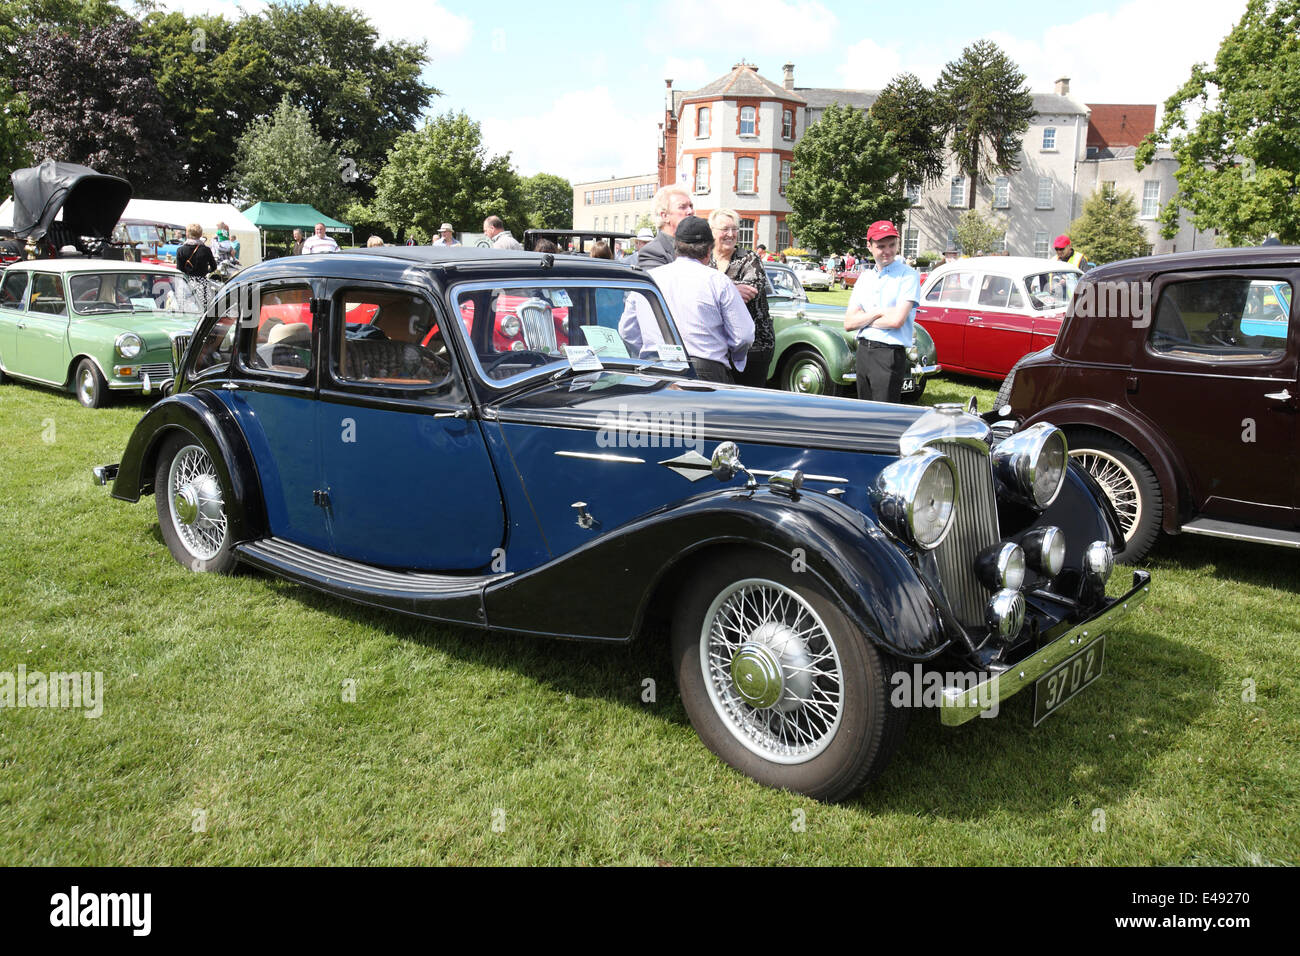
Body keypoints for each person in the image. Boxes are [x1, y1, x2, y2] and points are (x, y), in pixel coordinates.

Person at [647, 215, 753, 384]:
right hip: (704, 370)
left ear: (676, 246)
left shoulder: (650, 279)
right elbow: (744, 335)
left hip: (653, 368)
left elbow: (628, 331)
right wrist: (736, 357)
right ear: (709, 249)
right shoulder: (718, 281)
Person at [844, 220, 919, 404]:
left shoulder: (908, 275)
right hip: (863, 351)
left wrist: (864, 317)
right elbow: (848, 323)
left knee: (884, 414)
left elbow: (896, 321)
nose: (887, 251)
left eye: (892, 245)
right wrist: (878, 313)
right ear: (869, 246)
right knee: (864, 412)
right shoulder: (865, 277)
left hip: (888, 354)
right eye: (881, 246)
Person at [708, 207, 772, 388]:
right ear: (712, 231)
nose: (731, 234)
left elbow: (748, 294)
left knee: (747, 401)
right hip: (717, 345)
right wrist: (733, 289)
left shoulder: (749, 259)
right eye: (725, 229)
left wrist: (713, 292)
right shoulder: (706, 260)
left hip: (754, 346)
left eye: (734, 229)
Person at [633, 186, 693, 269]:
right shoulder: (652, 252)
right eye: (682, 207)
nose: (690, 211)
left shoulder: (698, 246)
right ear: (665, 216)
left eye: (691, 206)